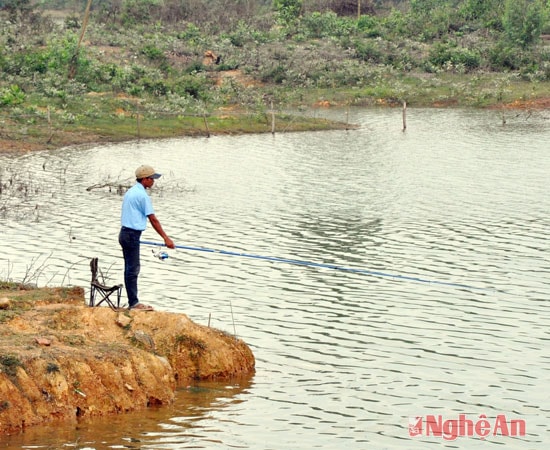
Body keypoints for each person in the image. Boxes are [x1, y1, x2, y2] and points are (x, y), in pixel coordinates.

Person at [119, 165, 175, 311]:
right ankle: (134, 304)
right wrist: (166, 238)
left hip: (125, 233)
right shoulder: (142, 196)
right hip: (131, 235)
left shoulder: (131, 191)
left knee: (130, 268)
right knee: (133, 269)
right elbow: (153, 219)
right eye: (152, 179)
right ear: (144, 179)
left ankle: (133, 301)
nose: (153, 181)